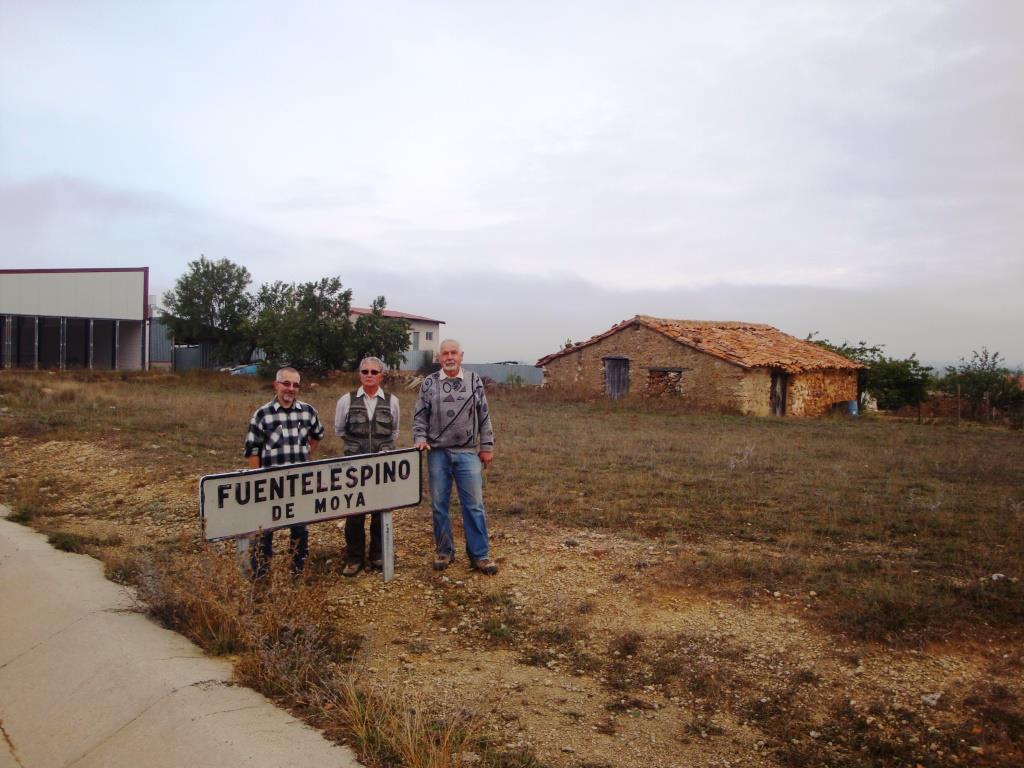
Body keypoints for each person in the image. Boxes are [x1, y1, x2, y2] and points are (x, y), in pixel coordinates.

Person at [412, 339, 497, 575]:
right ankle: (444, 550)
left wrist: (487, 446)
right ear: (439, 358)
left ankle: (479, 555)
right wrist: (419, 438)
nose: (449, 357)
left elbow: (484, 415)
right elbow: (420, 415)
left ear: (461, 356)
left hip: (468, 452)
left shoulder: (473, 381)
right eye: (445, 353)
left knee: (474, 506)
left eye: (453, 353)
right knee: (439, 505)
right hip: (437, 453)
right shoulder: (429, 383)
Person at [243, 365, 325, 578]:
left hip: (298, 483)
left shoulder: (308, 412)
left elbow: (317, 435)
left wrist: (307, 454)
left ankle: (297, 571)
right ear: (276, 385)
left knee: (299, 529)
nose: (291, 389)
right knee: (264, 531)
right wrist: (257, 478)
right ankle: (261, 575)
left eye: (295, 385)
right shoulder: (262, 414)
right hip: (270, 484)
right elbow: (252, 450)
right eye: (286, 383)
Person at [333, 356, 400, 576]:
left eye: (373, 372)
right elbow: (340, 430)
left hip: (382, 469)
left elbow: (394, 432)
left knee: (380, 512)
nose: (369, 376)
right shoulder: (346, 400)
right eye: (365, 372)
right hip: (354, 468)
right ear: (359, 374)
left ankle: (378, 555)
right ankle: (354, 558)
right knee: (354, 514)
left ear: (381, 375)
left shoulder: (392, 401)